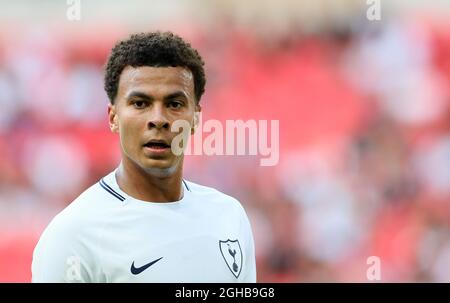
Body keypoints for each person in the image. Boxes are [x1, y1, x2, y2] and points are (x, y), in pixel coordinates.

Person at [32, 32, 256, 283]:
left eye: (174, 104)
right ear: (113, 117)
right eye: (140, 103)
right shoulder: (74, 235)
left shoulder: (229, 216)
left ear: (195, 118)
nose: (158, 119)